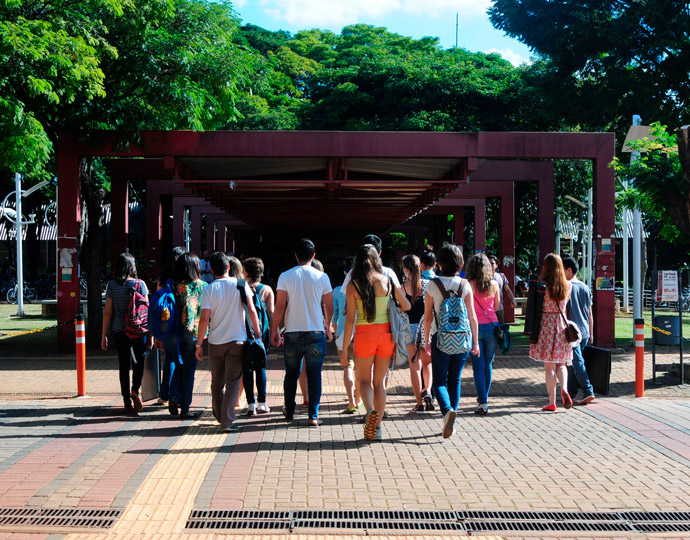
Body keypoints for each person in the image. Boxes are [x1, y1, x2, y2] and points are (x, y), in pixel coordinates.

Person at [340, 244, 411, 440]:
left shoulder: (353, 285)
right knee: (379, 382)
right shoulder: (387, 281)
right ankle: (377, 427)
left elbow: (350, 319)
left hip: (364, 334)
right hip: (386, 334)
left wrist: (345, 348)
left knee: (364, 380)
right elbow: (406, 305)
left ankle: (370, 410)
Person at [270, 239, 333, 427]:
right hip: (315, 331)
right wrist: (328, 326)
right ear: (314, 256)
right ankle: (313, 415)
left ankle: (289, 411)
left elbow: (280, 305)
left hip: (292, 332)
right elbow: (329, 306)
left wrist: (274, 329)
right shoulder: (322, 277)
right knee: (315, 375)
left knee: (291, 374)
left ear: (295, 255)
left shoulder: (285, 276)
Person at [196, 252, 261, 432]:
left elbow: (204, 319)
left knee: (217, 381)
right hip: (237, 340)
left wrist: (199, 344)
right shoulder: (241, 285)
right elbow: (252, 311)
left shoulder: (209, 289)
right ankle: (227, 421)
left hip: (216, 341)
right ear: (229, 267)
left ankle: (219, 414)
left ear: (210, 269)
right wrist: (258, 333)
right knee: (232, 381)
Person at [423, 243, 479, 439]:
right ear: (460, 262)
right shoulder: (465, 285)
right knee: (454, 379)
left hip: (441, 337)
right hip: (462, 338)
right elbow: (472, 317)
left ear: (439, 263)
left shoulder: (433, 285)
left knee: (439, 381)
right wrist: (476, 342)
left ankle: (447, 412)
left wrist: (427, 339)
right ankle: (451, 421)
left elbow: (428, 317)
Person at [102, 252, 150, 413]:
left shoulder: (112, 285)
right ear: (132, 267)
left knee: (123, 365)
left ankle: (126, 402)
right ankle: (135, 390)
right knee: (138, 363)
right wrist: (150, 335)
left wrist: (104, 335)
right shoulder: (140, 284)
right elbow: (146, 311)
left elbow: (108, 312)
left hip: (119, 330)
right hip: (137, 330)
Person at [527, 253, 573, 411]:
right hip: (562, 326)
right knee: (562, 364)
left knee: (550, 367)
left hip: (546, 326)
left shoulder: (543, 287)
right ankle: (565, 388)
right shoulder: (568, 286)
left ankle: (552, 401)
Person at [168, 252, 206, 419]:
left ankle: (174, 396)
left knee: (177, 366)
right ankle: (185, 407)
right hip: (193, 333)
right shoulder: (203, 286)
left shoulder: (172, 285)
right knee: (189, 370)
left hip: (173, 332)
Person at [465, 253, 500, 416]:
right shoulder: (494, 284)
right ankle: (483, 400)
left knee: (478, 367)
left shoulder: (469, 285)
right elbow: (497, 305)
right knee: (488, 365)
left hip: (475, 327)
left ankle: (483, 402)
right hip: (493, 326)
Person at [242, 257, 274, 415]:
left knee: (247, 368)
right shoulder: (267, 289)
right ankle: (262, 402)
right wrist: (275, 331)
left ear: (246, 272)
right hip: (262, 334)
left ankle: (250, 405)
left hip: (245, 332)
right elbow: (271, 312)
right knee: (261, 365)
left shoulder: (240, 287)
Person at [402, 254, 433, 413]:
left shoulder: (402, 287)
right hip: (425, 328)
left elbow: (401, 309)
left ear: (406, 270)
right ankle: (427, 390)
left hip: (409, 329)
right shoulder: (428, 285)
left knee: (415, 366)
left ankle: (419, 404)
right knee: (427, 363)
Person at [562, 257, 595, 406]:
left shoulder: (567, 287)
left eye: (562, 269)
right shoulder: (585, 287)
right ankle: (571, 392)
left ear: (569, 270)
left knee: (577, 362)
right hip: (585, 331)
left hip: (572, 333)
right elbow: (590, 313)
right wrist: (591, 332)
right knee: (574, 363)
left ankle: (588, 390)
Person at [156, 246, 186, 406]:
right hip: (181, 324)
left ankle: (164, 394)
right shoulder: (183, 279)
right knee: (179, 359)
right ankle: (175, 395)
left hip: (166, 324)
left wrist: (156, 332)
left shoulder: (164, 277)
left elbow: (157, 304)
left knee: (169, 358)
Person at [333, 256, 361, 414]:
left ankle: (351, 401)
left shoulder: (337, 291)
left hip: (343, 333)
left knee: (347, 367)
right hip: (360, 332)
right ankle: (359, 399)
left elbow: (335, 316)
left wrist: (336, 334)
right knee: (359, 368)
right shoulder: (363, 288)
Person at [488, 254, 517, 325]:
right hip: (487, 309)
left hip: (499, 309)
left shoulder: (501, 276)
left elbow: (507, 290)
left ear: (496, 265)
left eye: (492, 263)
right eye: (488, 263)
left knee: (500, 331)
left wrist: (512, 299)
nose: (489, 265)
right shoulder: (482, 277)